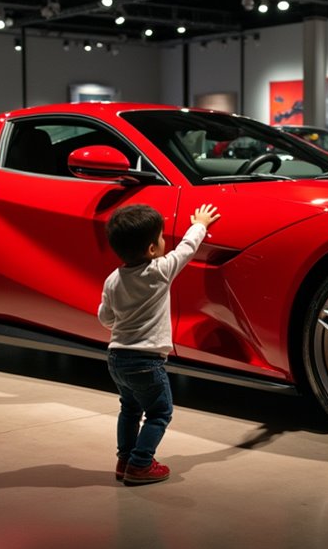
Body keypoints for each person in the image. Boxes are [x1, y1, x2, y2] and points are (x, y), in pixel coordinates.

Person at [98, 202, 221, 485]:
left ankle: (125, 460)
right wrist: (200, 223)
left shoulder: (113, 280)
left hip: (116, 358)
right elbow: (187, 249)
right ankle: (141, 464)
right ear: (152, 249)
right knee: (159, 412)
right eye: (161, 237)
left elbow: (105, 317)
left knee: (129, 409)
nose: (165, 242)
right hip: (146, 361)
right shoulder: (160, 271)